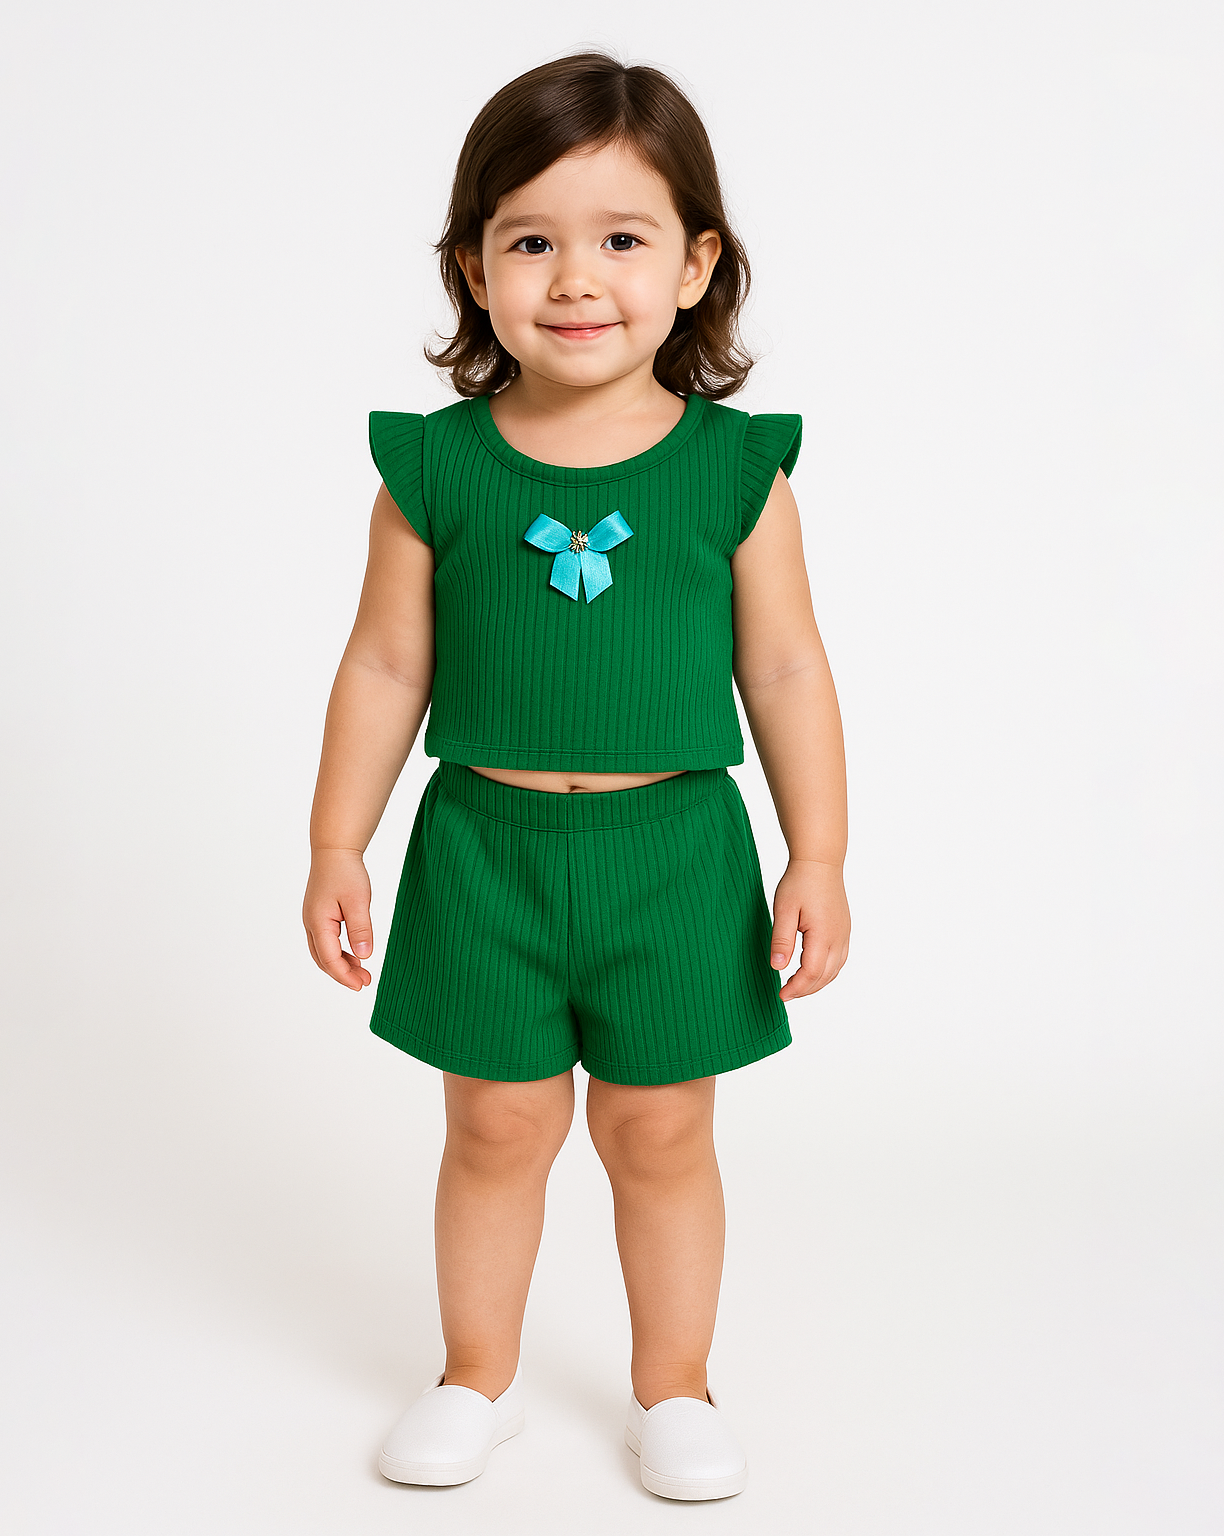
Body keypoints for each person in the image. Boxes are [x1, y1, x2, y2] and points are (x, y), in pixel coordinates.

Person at [302, 52, 850, 1501]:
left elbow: (788, 671)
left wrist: (819, 854)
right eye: (531, 240)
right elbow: (384, 667)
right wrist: (339, 842)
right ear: (472, 270)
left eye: (622, 237)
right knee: (493, 1124)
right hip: (482, 851)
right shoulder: (433, 470)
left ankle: (676, 1386)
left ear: (696, 264)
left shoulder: (736, 473)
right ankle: (474, 1376)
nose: (576, 278)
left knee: (661, 1130)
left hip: (675, 857)